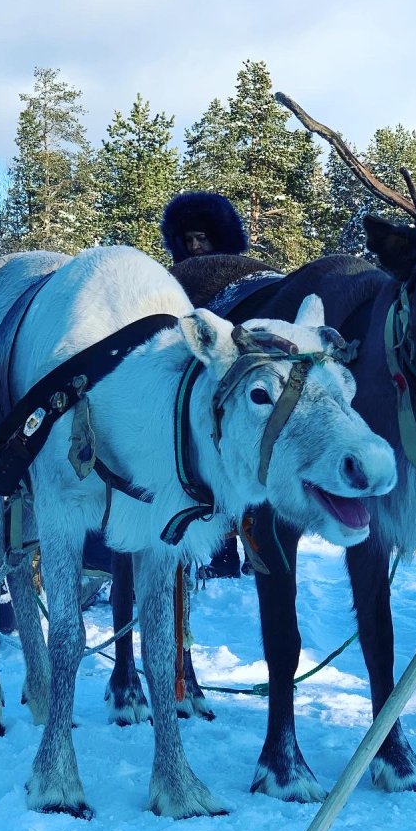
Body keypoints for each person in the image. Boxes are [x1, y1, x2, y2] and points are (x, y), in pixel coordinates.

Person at [161, 191, 249, 578]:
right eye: (189, 240)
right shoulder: (171, 282)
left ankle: (243, 547)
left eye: (203, 238)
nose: (195, 247)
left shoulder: (247, 278)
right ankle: (220, 551)